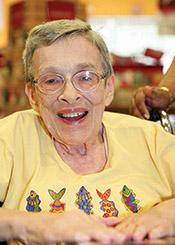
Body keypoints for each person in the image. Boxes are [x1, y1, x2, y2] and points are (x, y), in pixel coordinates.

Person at [0, 19, 175, 245]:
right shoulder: (11, 138)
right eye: (51, 80)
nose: (70, 95)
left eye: (85, 77)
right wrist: (34, 226)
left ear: (108, 87)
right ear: (33, 96)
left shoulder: (150, 139)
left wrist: (169, 212)